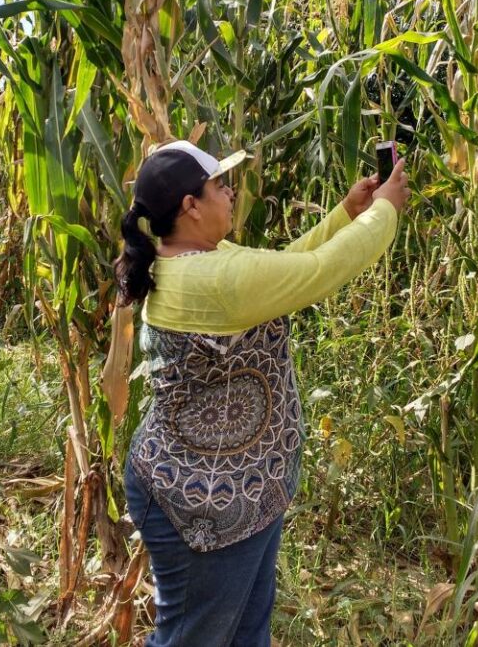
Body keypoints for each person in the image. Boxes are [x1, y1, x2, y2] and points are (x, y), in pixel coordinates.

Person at [114, 139, 410, 647]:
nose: (230, 194)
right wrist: (385, 210)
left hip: (239, 489)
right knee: (195, 638)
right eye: (219, 186)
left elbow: (281, 270)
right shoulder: (212, 279)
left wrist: (346, 214)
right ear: (191, 207)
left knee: (245, 634)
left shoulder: (196, 261)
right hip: (205, 500)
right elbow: (317, 274)